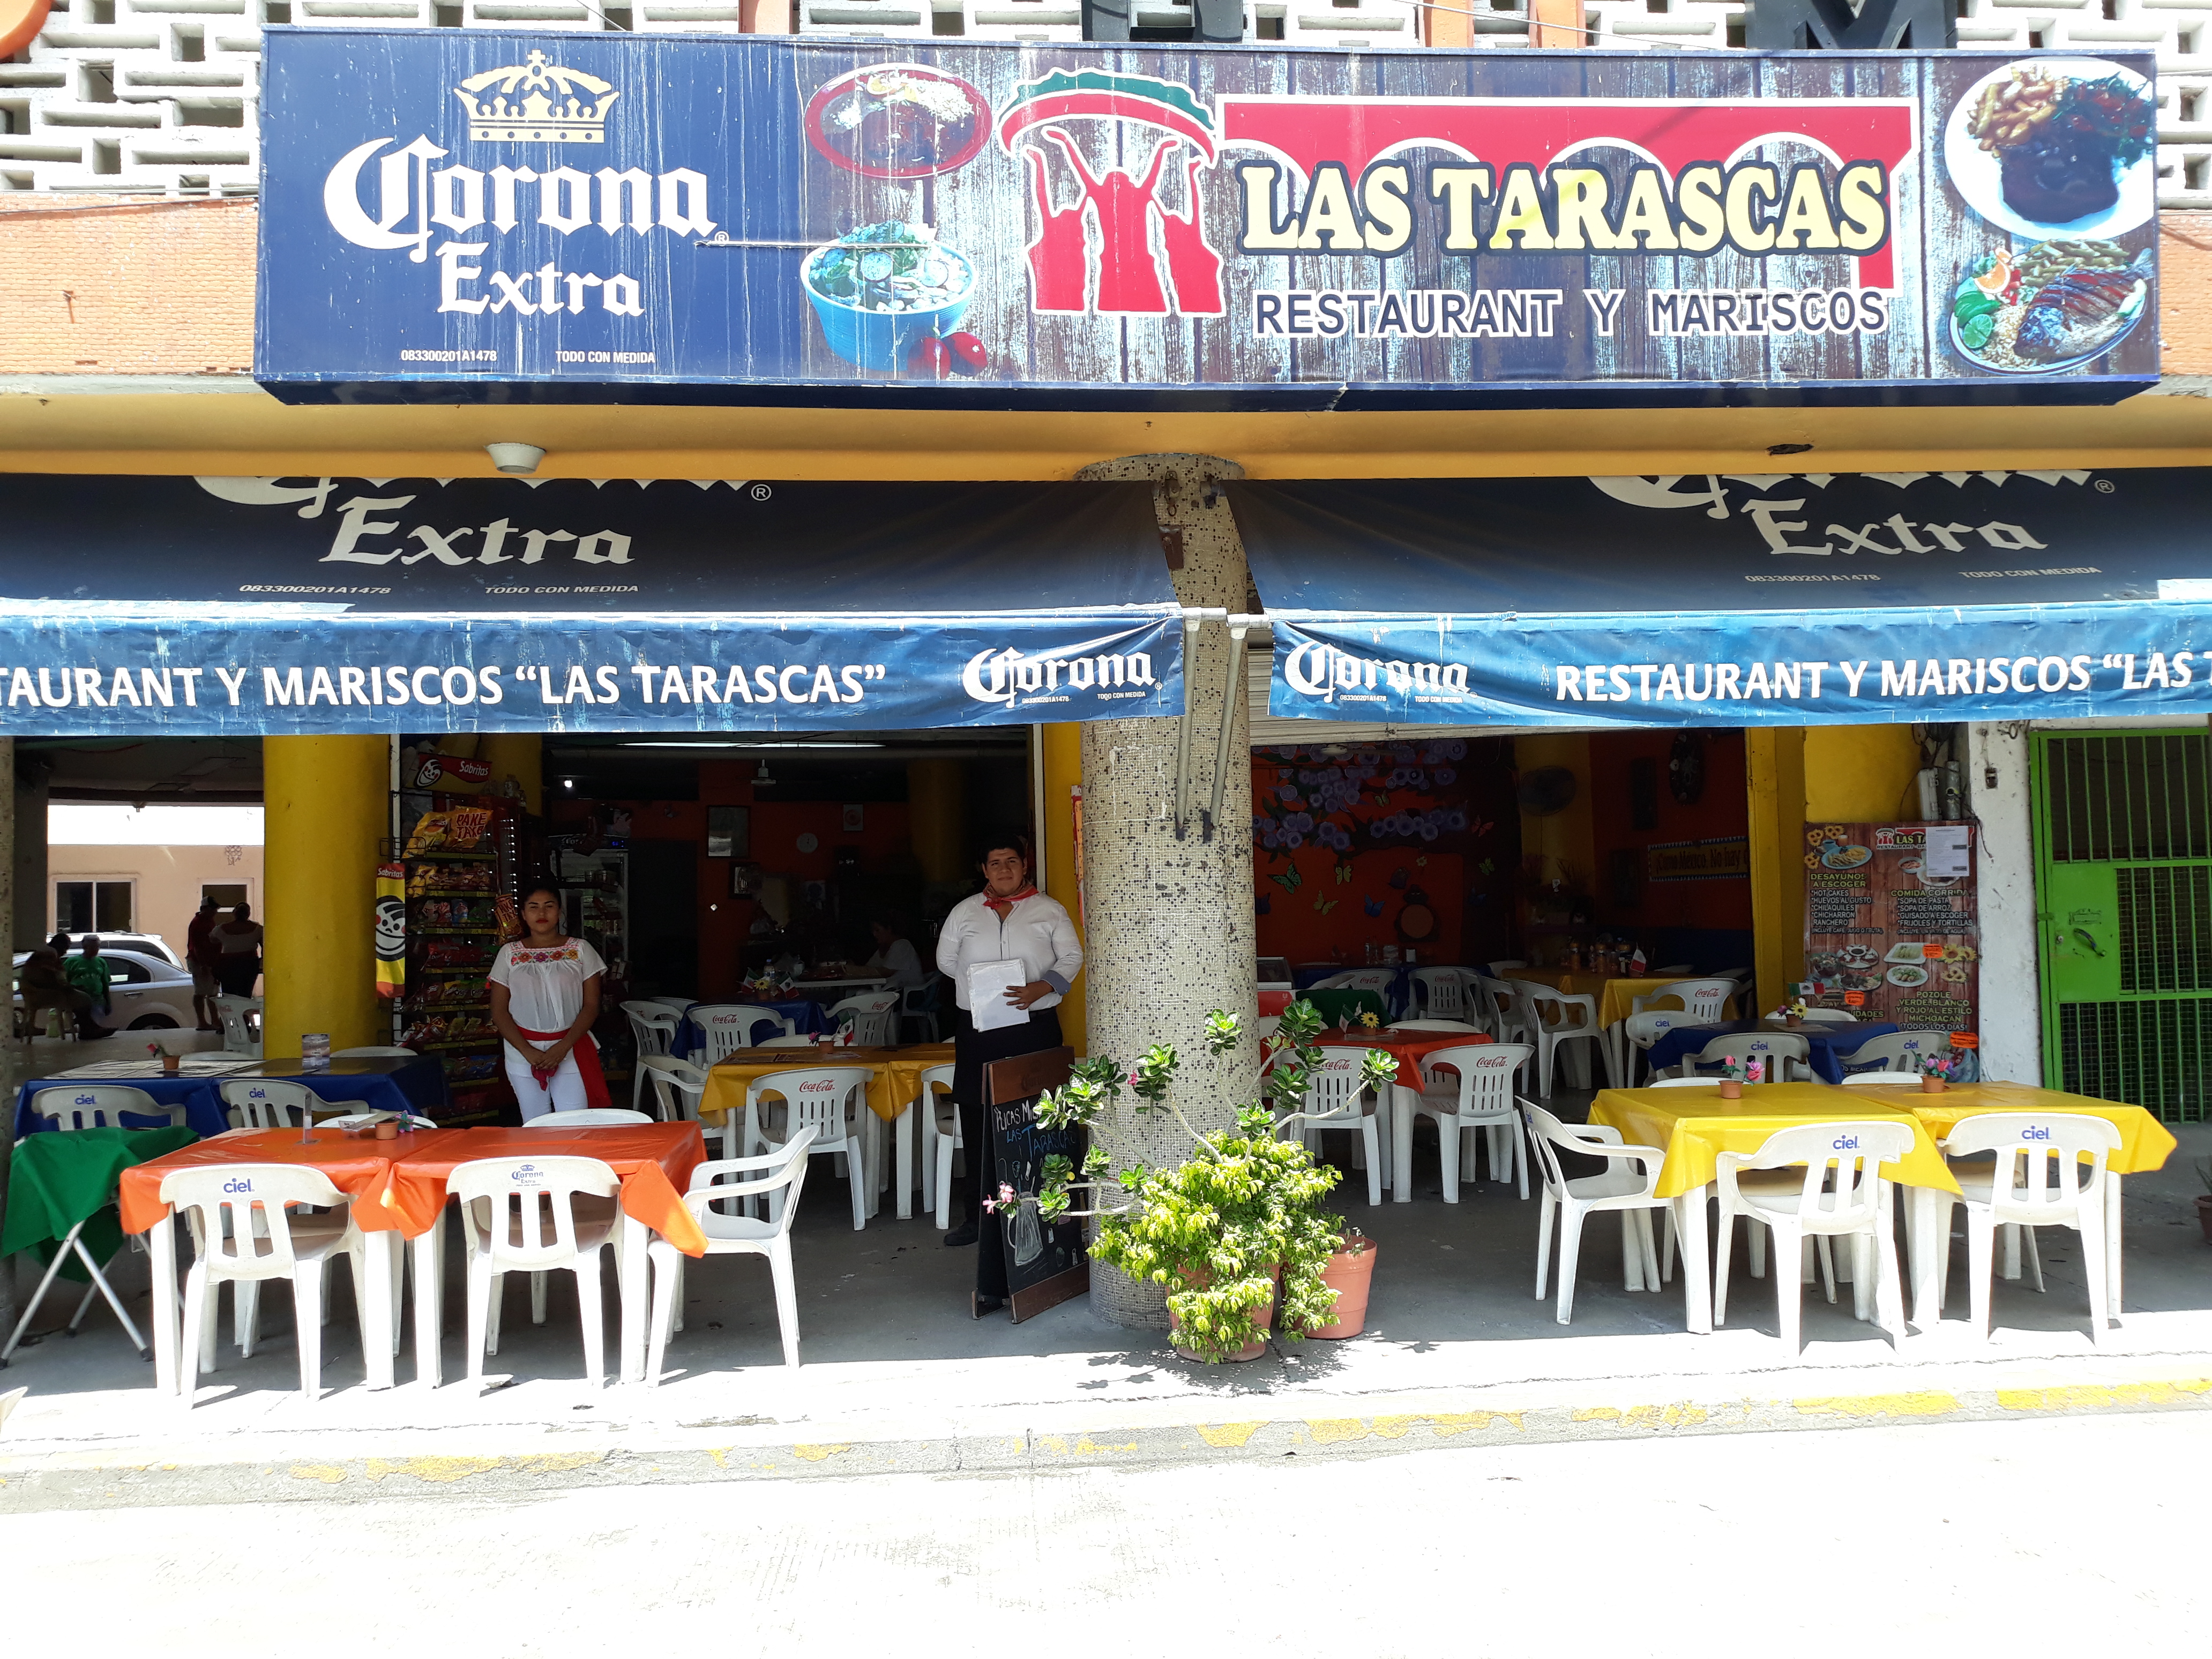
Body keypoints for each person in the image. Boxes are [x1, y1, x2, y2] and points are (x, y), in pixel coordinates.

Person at [933, 832, 1082, 1308]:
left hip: (1034, 1025)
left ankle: (1055, 1213)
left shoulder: (1048, 910)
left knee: (1041, 1120)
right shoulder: (964, 912)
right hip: (980, 1028)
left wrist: (1043, 986)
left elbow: (1073, 957)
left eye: (1011, 861)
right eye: (995, 862)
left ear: (1025, 866)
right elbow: (946, 960)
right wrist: (985, 988)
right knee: (978, 1117)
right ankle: (978, 1220)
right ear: (984, 870)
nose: (1003, 869)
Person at [488, 880, 611, 1122]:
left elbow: (591, 1006)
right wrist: (527, 1051)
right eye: (533, 907)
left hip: (571, 1048)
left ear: (559, 912)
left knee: (574, 1122)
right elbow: (499, 1011)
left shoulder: (581, 949)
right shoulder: (509, 954)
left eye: (549, 906)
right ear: (524, 914)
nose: (541, 913)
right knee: (534, 1122)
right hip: (522, 1052)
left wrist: (562, 1048)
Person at [18, 943, 90, 1041]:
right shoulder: (48, 964)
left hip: (34, 997)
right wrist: (70, 987)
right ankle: (87, 1028)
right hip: (48, 996)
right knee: (84, 999)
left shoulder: (31, 966)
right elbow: (55, 983)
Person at [63, 935, 114, 1039]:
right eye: (93, 947)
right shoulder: (72, 962)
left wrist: (108, 1003)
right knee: (87, 1026)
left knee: (94, 1029)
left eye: (98, 947)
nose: (96, 950)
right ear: (85, 947)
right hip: (79, 1001)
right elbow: (64, 982)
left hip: (97, 1001)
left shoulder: (101, 962)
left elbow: (105, 984)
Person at [210, 902, 264, 998]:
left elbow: (212, 941)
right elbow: (265, 946)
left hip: (228, 965)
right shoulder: (258, 929)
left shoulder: (221, 929)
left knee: (229, 994)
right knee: (246, 993)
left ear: (234, 913)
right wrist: (262, 961)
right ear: (248, 914)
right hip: (249, 964)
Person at [863, 914, 930, 991]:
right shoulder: (882, 950)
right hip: (889, 991)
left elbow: (886, 972)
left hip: (908, 993)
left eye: (877, 930)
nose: (874, 934)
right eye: (873, 931)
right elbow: (868, 968)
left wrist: (856, 971)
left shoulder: (903, 945)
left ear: (889, 929)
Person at [185, 895, 223, 1031]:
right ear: (204, 909)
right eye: (213, 909)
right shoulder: (198, 923)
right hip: (201, 962)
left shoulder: (208, 921)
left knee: (212, 993)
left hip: (209, 962)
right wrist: (203, 965)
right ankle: (202, 1022)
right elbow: (197, 947)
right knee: (201, 993)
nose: (215, 912)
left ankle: (214, 1021)